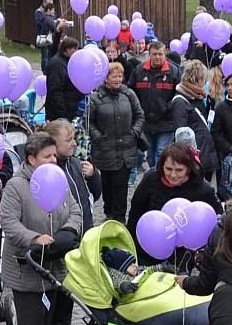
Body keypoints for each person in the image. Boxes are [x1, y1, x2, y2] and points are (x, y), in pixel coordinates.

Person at [0, 132, 82, 325]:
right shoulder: (16, 187)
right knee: (32, 322)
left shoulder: (58, 179)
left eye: (54, 155)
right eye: (48, 157)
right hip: (27, 265)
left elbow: (75, 210)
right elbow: (9, 222)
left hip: (54, 263)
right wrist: (35, 238)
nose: (54, 160)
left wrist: (68, 232)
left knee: (48, 317)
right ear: (31, 159)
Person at [45, 119, 100, 325]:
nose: (74, 143)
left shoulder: (76, 164)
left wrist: (94, 175)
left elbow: (93, 197)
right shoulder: (51, 170)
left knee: (69, 294)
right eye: (69, 140)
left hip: (81, 237)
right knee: (56, 296)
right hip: (63, 239)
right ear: (53, 144)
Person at [127, 143, 222, 265]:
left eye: (179, 170)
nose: (173, 175)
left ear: (189, 168)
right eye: (168, 169)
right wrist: (129, 243)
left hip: (183, 256)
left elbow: (217, 219)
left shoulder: (203, 189)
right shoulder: (151, 180)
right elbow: (136, 212)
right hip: (148, 248)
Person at [89, 63, 144, 224]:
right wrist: (98, 136)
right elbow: (89, 122)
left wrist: (134, 132)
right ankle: (109, 212)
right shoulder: (96, 98)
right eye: (114, 76)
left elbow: (140, 115)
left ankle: (119, 218)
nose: (118, 79)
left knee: (121, 186)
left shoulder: (129, 94)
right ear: (106, 78)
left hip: (126, 149)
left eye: (120, 76)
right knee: (107, 184)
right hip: (105, 148)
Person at [127, 40, 181, 168]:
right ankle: (154, 174)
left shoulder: (174, 72)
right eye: (154, 54)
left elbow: (179, 94)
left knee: (161, 153)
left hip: (166, 122)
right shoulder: (139, 71)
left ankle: (159, 179)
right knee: (150, 154)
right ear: (149, 54)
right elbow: (131, 92)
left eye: (160, 54)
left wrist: (168, 108)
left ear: (164, 54)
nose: (157, 57)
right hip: (145, 122)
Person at [171, 60, 218, 177]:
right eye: (203, 80)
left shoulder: (197, 97)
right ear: (198, 79)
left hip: (205, 153)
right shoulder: (180, 102)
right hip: (196, 157)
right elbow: (181, 134)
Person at [101, 246, 173, 295]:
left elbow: (148, 269)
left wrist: (162, 267)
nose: (135, 265)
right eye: (130, 264)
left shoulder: (137, 270)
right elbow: (118, 284)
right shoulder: (117, 278)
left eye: (133, 263)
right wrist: (124, 286)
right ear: (121, 269)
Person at [46, 37, 83, 122]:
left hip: (70, 109)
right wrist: (63, 114)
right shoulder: (57, 64)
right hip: (60, 113)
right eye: (74, 48)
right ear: (67, 49)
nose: (76, 51)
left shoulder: (68, 61)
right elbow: (55, 91)